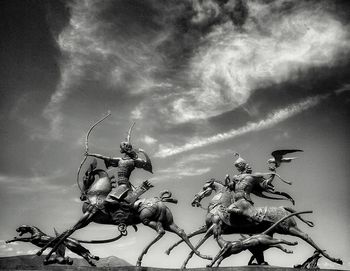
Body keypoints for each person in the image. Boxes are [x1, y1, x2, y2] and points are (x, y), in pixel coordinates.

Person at [86, 124, 153, 212]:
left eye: (122, 147)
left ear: (126, 149)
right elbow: (103, 157)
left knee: (108, 200)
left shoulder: (135, 161)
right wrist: (91, 154)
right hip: (120, 184)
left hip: (124, 185)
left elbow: (147, 164)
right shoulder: (120, 160)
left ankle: (124, 208)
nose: (121, 149)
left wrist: (144, 152)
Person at [226, 153, 277, 224]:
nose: (237, 168)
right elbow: (229, 187)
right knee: (228, 211)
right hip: (236, 201)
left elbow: (265, 183)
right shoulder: (236, 178)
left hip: (244, 200)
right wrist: (227, 179)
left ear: (243, 165)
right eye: (236, 166)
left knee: (230, 209)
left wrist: (273, 174)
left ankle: (254, 217)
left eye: (238, 165)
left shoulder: (252, 177)